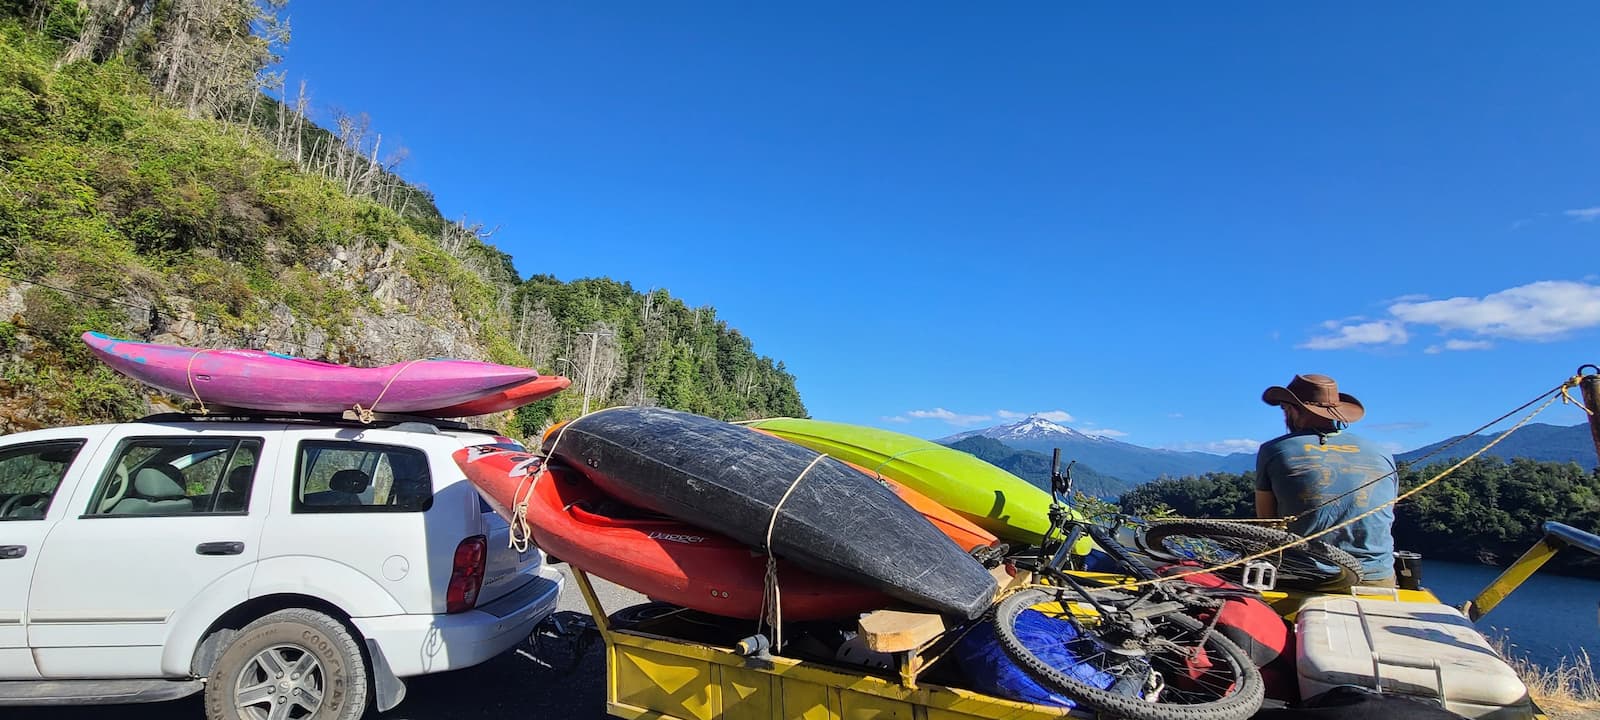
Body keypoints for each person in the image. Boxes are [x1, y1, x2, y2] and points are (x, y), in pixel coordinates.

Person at [1255, 373, 1397, 586]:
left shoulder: (1274, 450)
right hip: (1376, 576)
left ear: (1293, 409)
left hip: (1306, 577)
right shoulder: (1382, 453)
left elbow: (1267, 524)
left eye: (1285, 409)